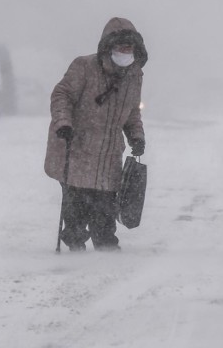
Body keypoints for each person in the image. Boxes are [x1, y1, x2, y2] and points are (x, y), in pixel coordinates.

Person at [44, 17, 148, 252]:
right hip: (78, 148)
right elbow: (62, 95)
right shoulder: (84, 67)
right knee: (77, 204)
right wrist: (63, 122)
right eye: (121, 47)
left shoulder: (134, 76)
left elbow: (132, 112)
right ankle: (75, 244)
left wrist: (136, 136)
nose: (125, 52)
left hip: (109, 154)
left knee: (104, 207)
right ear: (108, 47)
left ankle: (106, 250)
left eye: (129, 48)